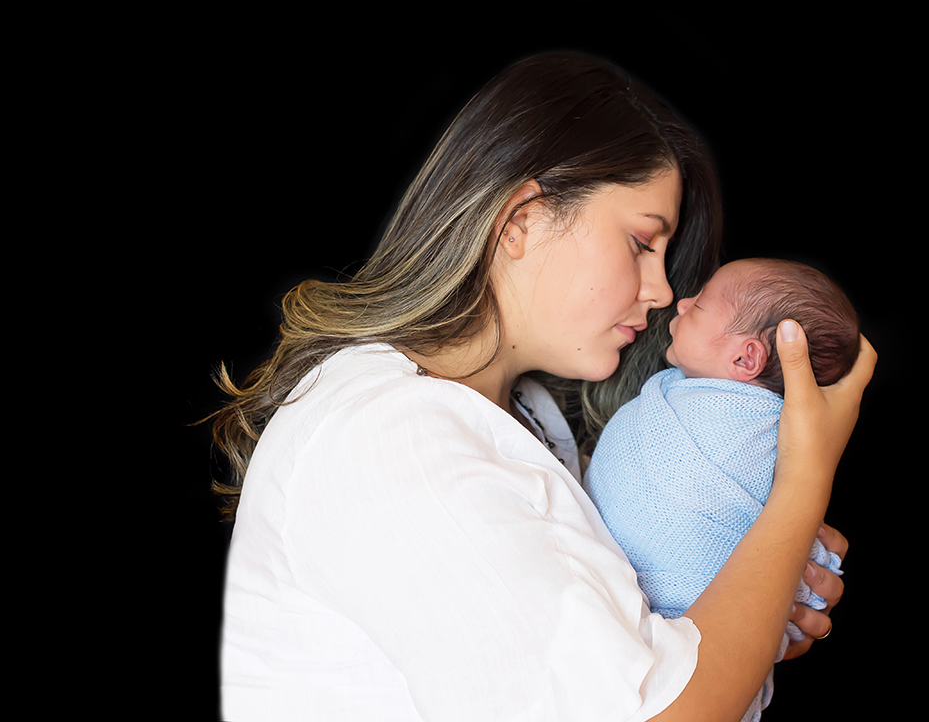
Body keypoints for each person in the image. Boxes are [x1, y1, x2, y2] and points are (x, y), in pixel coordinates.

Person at [209, 51, 876, 722]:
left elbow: (642, 664)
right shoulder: (394, 437)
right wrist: (803, 476)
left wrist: (751, 597)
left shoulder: (525, 418)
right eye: (643, 243)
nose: (664, 292)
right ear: (520, 219)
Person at [583, 258, 860, 722]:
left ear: (746, 358)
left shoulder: (760, 431)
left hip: (688, 638)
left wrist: (794, 572)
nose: (681, 301)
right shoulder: (687, 394)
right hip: (650, 647)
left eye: (701, 304)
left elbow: (761, 527)